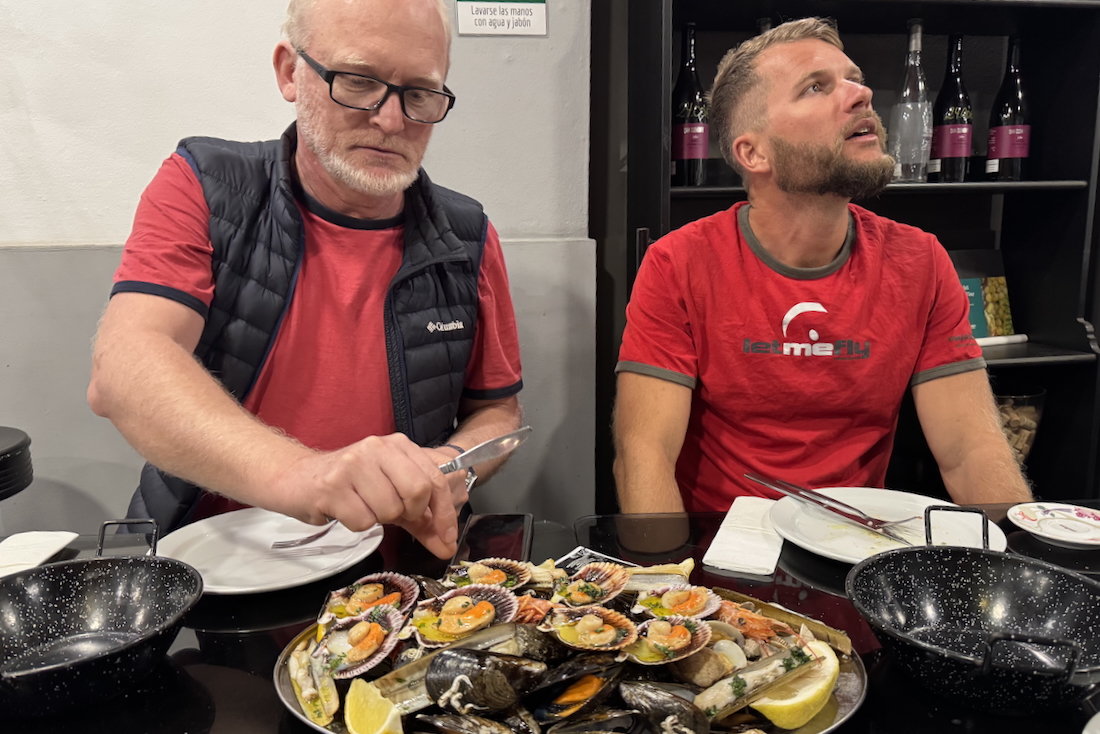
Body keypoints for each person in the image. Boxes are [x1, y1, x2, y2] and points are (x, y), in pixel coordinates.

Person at [87, 0, 524, 560]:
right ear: (290, 72)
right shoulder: (206, 185)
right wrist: (308, 477)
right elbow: (125, 369)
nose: (392, 121)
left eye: (419, 93)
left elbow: (497, 413)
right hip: (207, 568)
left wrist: (450, 466)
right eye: (358, 81)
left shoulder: (468, 235)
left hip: (394, 581)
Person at [613, 18, 1033, 514]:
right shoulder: (679, 262)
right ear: (754, 153)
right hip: (720, 544)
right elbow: (644, 456)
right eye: (816, 87)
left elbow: (971, 451)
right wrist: (669, 564)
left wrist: (1022, 555)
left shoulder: (921, 261)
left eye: (854, 78)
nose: (862, 94)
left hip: (855, 541)